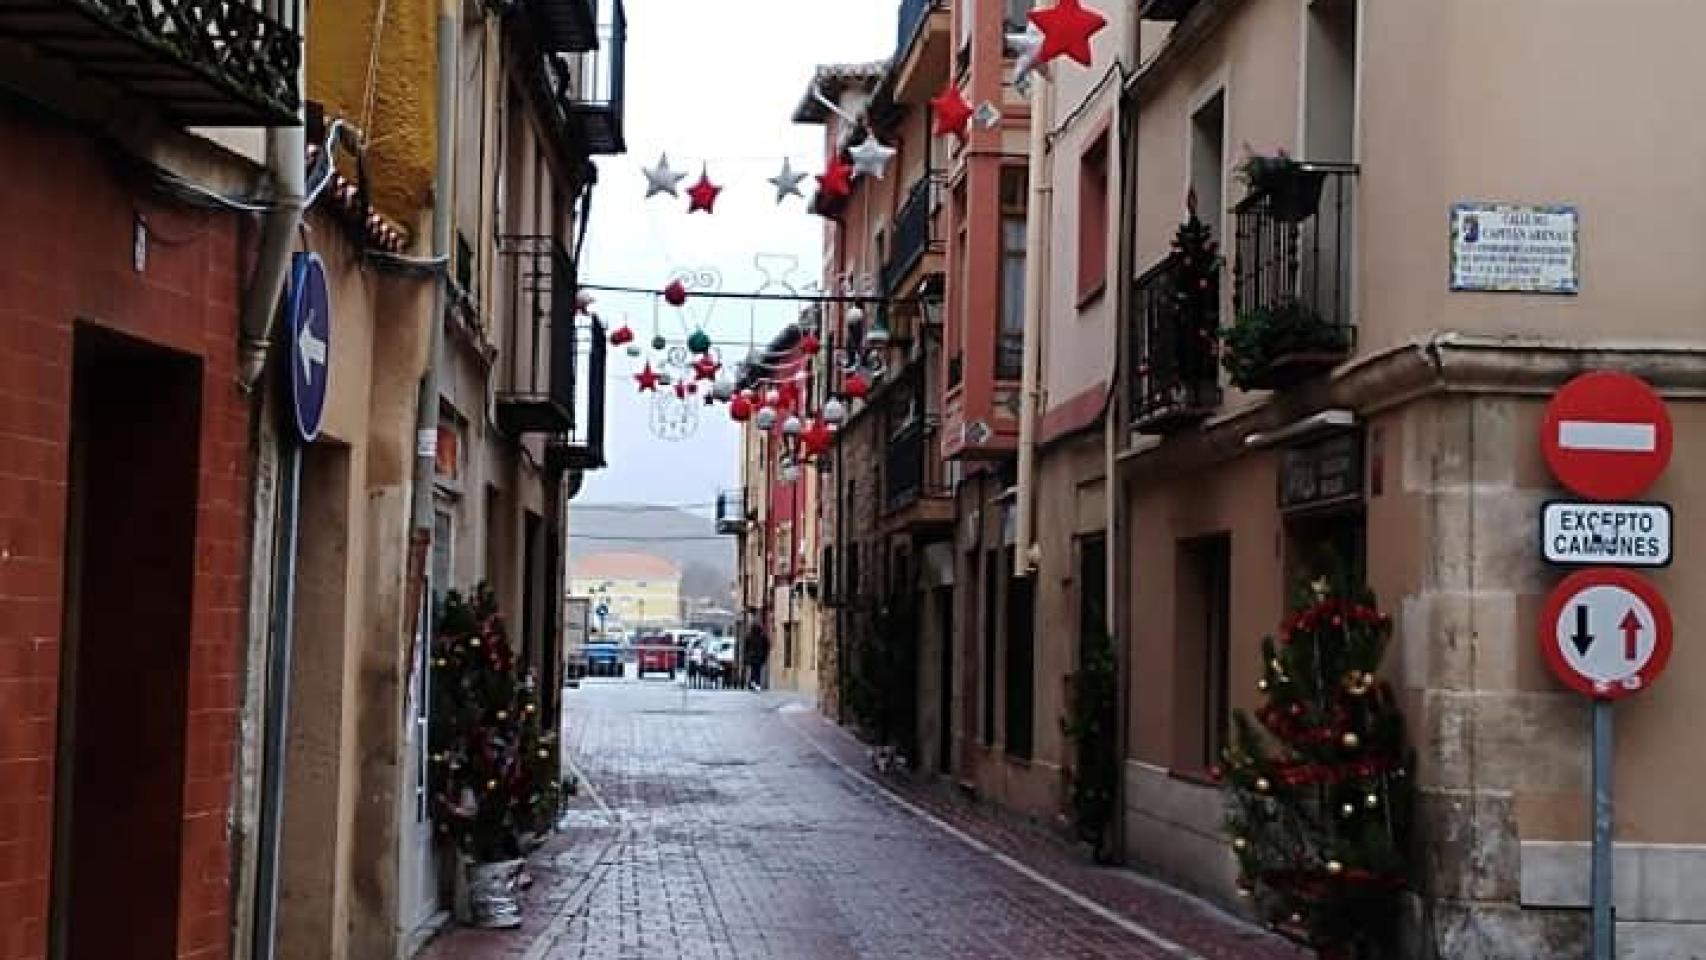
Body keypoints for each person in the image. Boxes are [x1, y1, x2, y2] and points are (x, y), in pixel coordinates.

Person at [744, 621, 770, 692]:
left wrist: (746, 657)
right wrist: (765, 656)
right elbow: (767, 647)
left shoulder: (749, 636)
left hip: (752, 657)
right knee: (757, 671)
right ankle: (756, 684)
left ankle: (753, 684)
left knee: (753, 671)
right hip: (759, 657)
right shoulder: (763, 637)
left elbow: (746, 648)